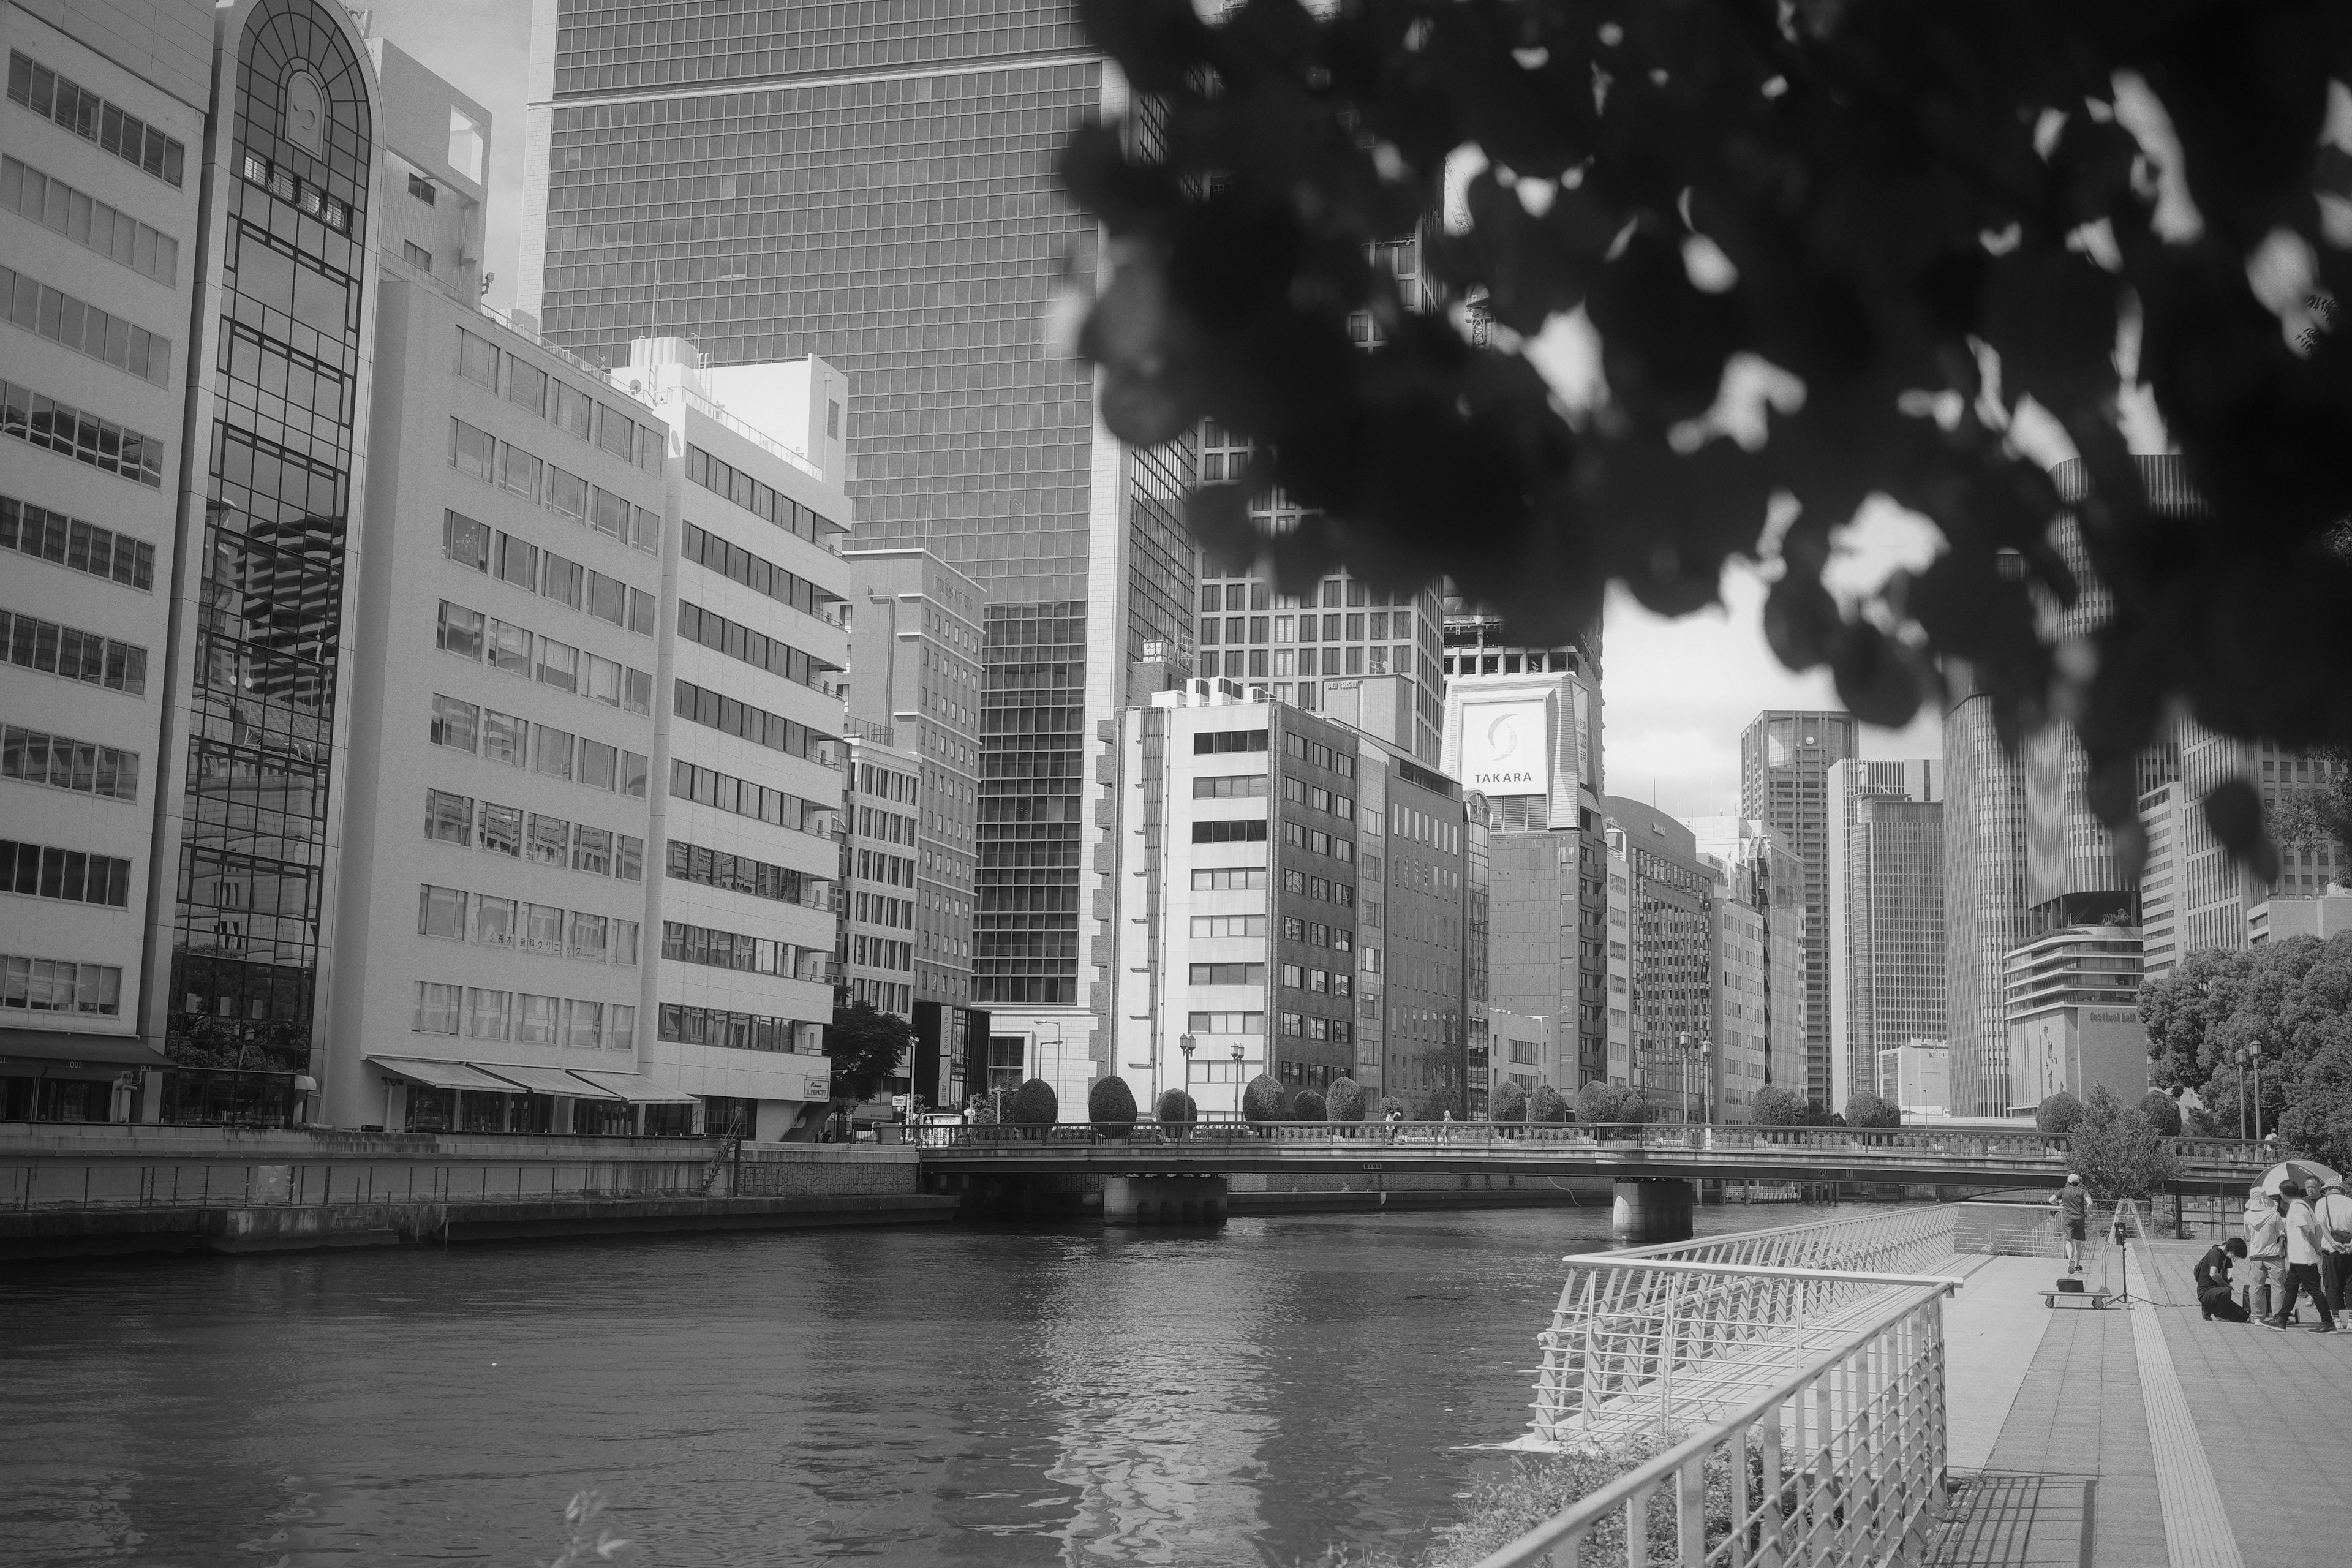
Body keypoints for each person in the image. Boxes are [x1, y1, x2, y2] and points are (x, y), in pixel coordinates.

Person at [2263, 1179, 2339, 1334]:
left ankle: (2328, 1321)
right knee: (2291, 1288)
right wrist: (2317, 1245)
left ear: (2283, 1195)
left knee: (2314, 1290)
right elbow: (2317, 1227)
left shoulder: (2297, 1208)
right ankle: (2282, 1319)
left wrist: (2317, 1248)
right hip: (2298, 1258)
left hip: (2303, 1257)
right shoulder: (2304, 1205)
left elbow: (2308, 1231)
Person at [2246, 1184, 2288, 1321]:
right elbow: (2281, 1233)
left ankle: (2257, 1317)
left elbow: (2247, 1236)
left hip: (2256, 1255)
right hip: (2274, 1255)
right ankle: (2279, 1316)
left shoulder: (2247, 1215)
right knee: (2278, 1287)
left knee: (2256, 1287)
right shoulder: (2274, 1214)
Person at [2314, 1178, 2352, 1314]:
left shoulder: (2322, 1203)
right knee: (2350, 1284)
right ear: (2342, 1190)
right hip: (2350, 1250)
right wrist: (2350, 1245)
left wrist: (2333, 1242)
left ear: (2327, 1190)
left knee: (2332, 1284)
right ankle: (2351, 1319)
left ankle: (2335, 1318)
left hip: (2330, 1250)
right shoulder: (2350, 1202)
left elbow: (2321, 1225)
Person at [2195, 1237, 2251, 1322]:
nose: (2234, 1258)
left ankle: (2211, 1307)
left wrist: (2227, 1281)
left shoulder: (2226, 1256)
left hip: (2217, 1291)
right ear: (2232, 1250)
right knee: (2226, 1291)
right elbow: (2213, 1274)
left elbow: (2225, 1273)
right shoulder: (2215, 1254)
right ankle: (2219, 1313)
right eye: (2235, 1255)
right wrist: (2225, 1285)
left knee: (2243, 1316)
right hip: (2206, 1291)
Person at [2049, 1172, 2090, 1274]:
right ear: (2078, 1182)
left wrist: (2059, 1203)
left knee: (2069, 1240)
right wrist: (2088, 1213)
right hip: (2080, 1219)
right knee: (2078, 1243)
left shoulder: (2064, 1191)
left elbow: (2051, 1200)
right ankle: (2077, 1266)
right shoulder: (2082, 1191)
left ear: (2068, 1182)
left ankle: (2070, 1259)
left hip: (2068, 1219)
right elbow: (2090, 1202)